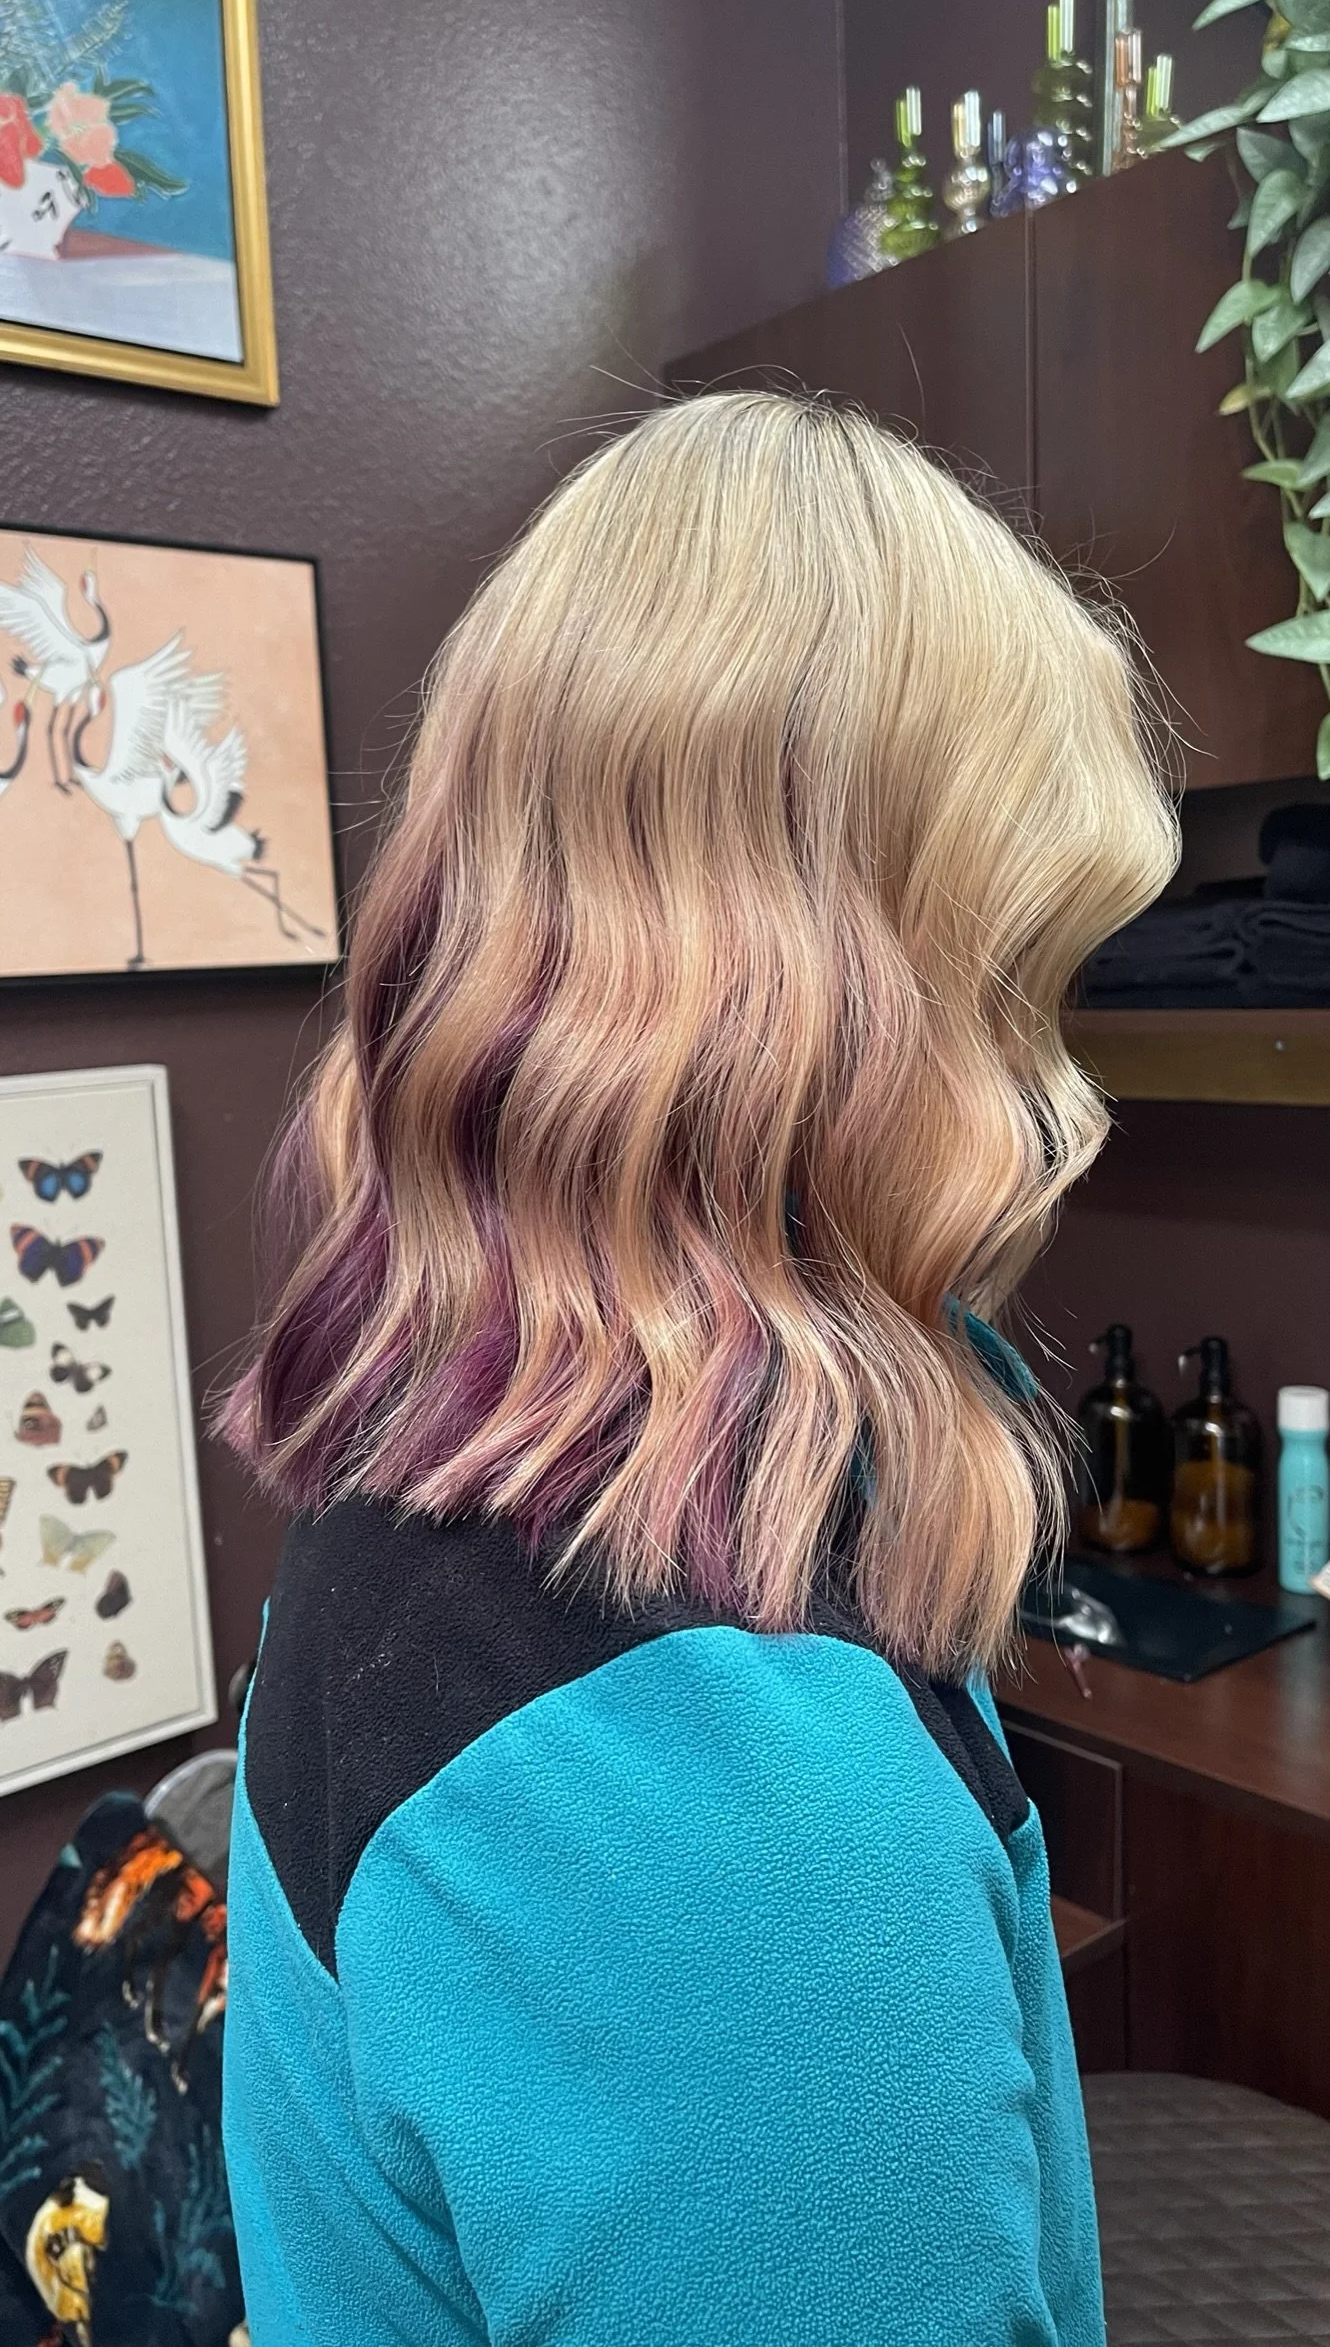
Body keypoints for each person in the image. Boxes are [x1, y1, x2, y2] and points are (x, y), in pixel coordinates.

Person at [221, 391, 1177, 2346]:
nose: (1037, 1077)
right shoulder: (720, 1819)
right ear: (850, 1000)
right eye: (1012, 976)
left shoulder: (448, 1455)